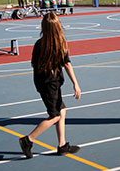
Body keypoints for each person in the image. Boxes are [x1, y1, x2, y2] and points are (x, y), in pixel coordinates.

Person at [19, 12, 81, 158]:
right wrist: (76, 84)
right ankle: (28, 140)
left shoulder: (39, 44)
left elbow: (33, 64)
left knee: (62, 110)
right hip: (50, 85)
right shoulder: (60, 43)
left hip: (43, 82)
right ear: (58, 26)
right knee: (55, 116)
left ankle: (62, 145)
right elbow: (67, 64)